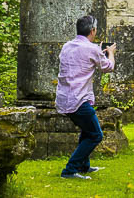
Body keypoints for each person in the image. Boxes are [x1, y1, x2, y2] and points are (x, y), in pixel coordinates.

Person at [55, 14, 116, 180]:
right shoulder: (92, 49)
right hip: (79, 99)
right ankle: (69, 170)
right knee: (96, 135)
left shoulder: (67, 46)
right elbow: (108, 67)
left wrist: (98, 51)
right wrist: (110, 53)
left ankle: (84, 165)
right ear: (93, 30)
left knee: (86, 130)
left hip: (64, 98)